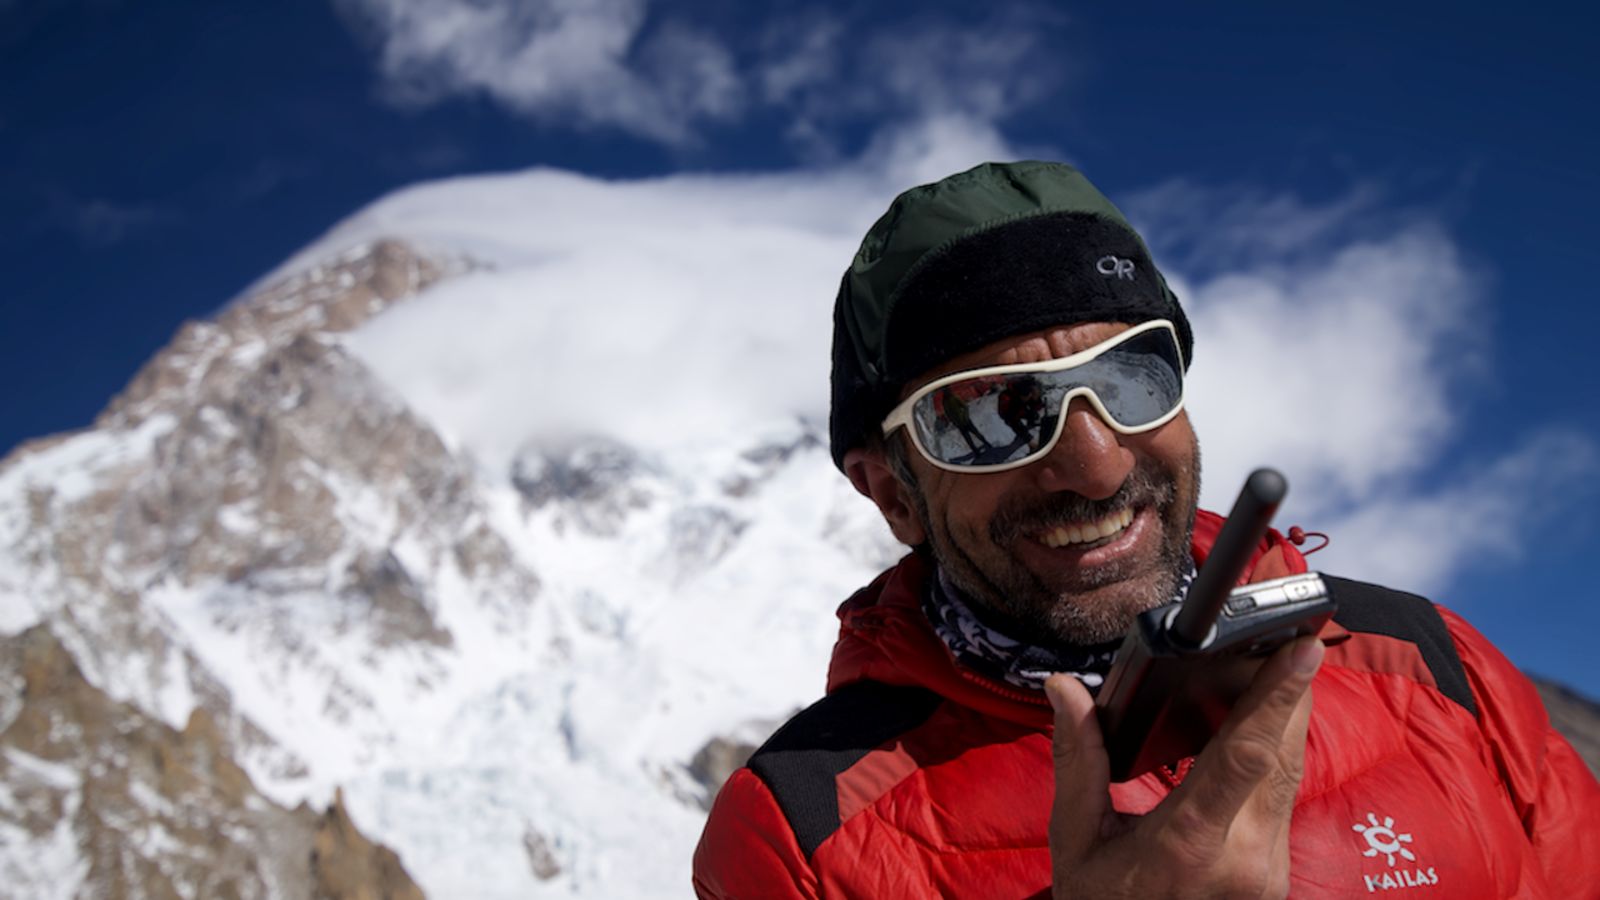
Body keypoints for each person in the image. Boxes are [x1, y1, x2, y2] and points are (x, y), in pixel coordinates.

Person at [692, 161, 1600, 898]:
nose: (1098, 464)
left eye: (1132, 376)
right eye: (990, 415)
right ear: (894, 493)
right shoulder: (804, 838)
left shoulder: (1431, 663)